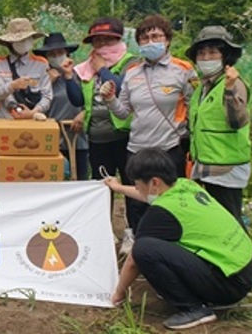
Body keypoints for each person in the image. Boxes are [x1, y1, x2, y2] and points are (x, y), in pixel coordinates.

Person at [105, 148, 252, 330]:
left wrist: (118, 294)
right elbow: (148, 195)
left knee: (143, 248)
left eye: (137, 184)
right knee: (161, 243)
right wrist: (118, 187)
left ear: (154, 183)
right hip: (243, 268)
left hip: (228, 285)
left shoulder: (162, 213)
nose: (136, 188)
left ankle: (193, 309)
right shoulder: (185, 186)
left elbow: (133, 262)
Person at [103, 14, 196, 241]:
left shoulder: (183, 70)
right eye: (144, 38)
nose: (150, 41)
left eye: (155, 36)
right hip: (137, 149)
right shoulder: (132, 73)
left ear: (167, 40)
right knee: (137, 202)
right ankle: (139, 245)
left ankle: (170, 246)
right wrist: (110, 100)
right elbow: (124, 112)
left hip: (169, 148)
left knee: (169, 201)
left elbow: (195, 109)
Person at [186, 26, 251, 226]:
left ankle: (243, 257)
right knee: (217, 220)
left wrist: (230, 90)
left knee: (230, 221)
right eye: (201, 53)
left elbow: (237, 121)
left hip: (226, 167)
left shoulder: (233, 83)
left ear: (225, 56)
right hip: (208, 164)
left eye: (213, 52)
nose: (206, 58)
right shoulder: (204, 87)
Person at [72, 17, 138, 184]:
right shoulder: (87, 67)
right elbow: (78, 99)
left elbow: (122, 87)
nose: (102, 44)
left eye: (107, 39)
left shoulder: (131, 62)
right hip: (97, 138)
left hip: (124, 136)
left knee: (131, 185)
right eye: (97, 40)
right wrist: (67, 78)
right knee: (101, 187)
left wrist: (102, 69)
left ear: (118, 39)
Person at [35, 32, 88, 180]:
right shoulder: (41, 78)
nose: (57, 56)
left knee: (80, 180)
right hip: (52, 139)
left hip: (77, 137)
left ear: (67, 54)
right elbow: (34, 106)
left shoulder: (80, 75)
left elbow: (88, 101)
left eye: (60, 53)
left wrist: (83, 114)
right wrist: (48, 82)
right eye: (52, 54)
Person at [0, 18, 52, 120]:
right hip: (6, 122)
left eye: (27, 38)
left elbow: (47, 96)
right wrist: (12, 85)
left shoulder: (41, 64)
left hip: (34, 121)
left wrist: (33, 113)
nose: (23, 42)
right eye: (19, 40)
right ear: (10, 42)